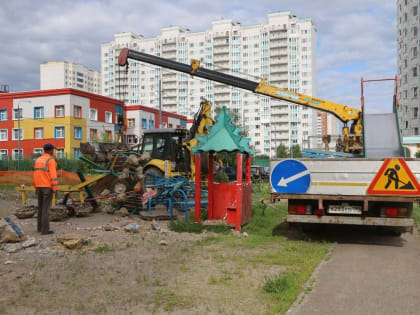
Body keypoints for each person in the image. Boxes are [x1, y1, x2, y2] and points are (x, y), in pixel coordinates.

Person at [33, 143, 59, 234]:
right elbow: (53, 175)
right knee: (45, 209)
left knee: (40, 208)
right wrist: (55, 188)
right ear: (50, 150)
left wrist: (36, 186)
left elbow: (35, 174)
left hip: (39, 186)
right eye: (53, 150)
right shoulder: (50, 160)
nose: (54, 151)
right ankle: (45, 230)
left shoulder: (38, 159)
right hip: (47, 187)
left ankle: (39, 228)